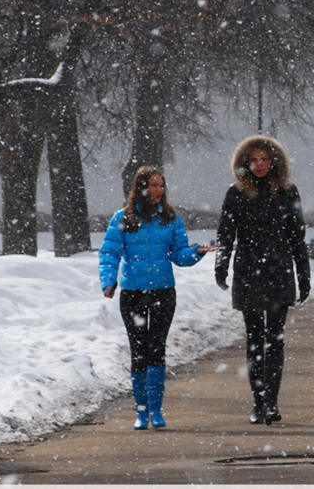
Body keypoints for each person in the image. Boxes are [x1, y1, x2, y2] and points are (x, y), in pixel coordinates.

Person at [99, 165, 218, 430]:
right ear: (141, 188)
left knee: (157, 348)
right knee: (138, 351)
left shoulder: (170, 218)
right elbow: (109, 252)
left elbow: (179, 255)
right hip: (133, 294)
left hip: (163, 292)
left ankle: (156, 409)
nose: (159, 190)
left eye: (161, 186)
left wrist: (197, 251)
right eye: (154, 185)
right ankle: (141, 412)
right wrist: (108, 281)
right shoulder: (123, 218)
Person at [215, 135, 311, 425]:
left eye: (264, 159)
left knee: (275, 340)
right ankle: (258, 402)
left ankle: (272, 401)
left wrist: (303, 273)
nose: (259, 165)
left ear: (274, 162)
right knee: (255, 340)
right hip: (248, 271)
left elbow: (297, 237)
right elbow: (226, 233)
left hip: (278, 272)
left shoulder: (287, 192)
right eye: (254, 160)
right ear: (245, 162)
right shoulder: (236, 193)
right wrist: (221, 265)